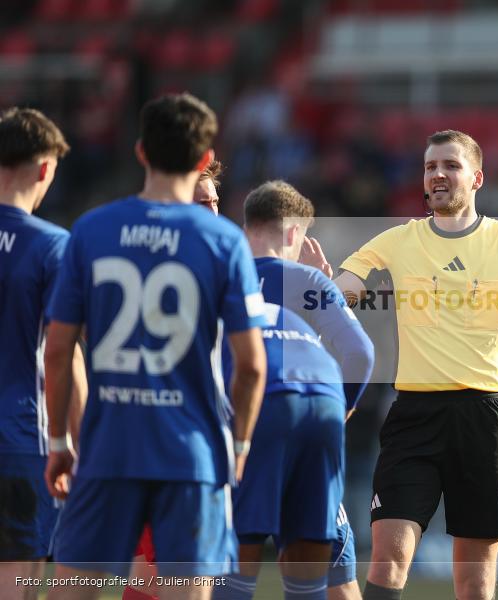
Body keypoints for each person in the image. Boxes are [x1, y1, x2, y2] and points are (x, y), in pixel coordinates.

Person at [333, 129, 498, 600]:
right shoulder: (396, 240)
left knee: (475, 583)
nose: (438, 175)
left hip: (483, 417)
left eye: (450, 165)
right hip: (413, 416)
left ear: (477, 178)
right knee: (389, 559)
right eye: (430, 167)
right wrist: (327, 287)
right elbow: (344, 288)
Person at [43, 93, 268, 600]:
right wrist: (240, 445)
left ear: (141, 152)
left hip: (107, 448)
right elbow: (251, 366)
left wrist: (59, 442)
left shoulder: (91, 230)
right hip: (190, 453)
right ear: (205, 159)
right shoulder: (224, 241)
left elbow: (57, 352)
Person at [211, 180, 374, 600]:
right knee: (316, 572)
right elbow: (360, 353)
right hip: (320, 406)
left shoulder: (220, 278)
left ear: (246, 228)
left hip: (257, 409)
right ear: (293, 234)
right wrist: (341, 410)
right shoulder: (312, 281)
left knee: (234, 564)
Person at [120, 157, 229, 600]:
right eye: (202, 202)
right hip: (166, 437)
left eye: (216, 202)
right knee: (167, 572)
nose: (213, 211)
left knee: (154, 569)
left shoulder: (220, 262)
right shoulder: (155, 268)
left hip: (197, 437)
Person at [0, 107, 87, 600]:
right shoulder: (54, 247)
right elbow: (65, 354)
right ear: (46, 169)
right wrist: (79, 442)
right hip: (20, 443)